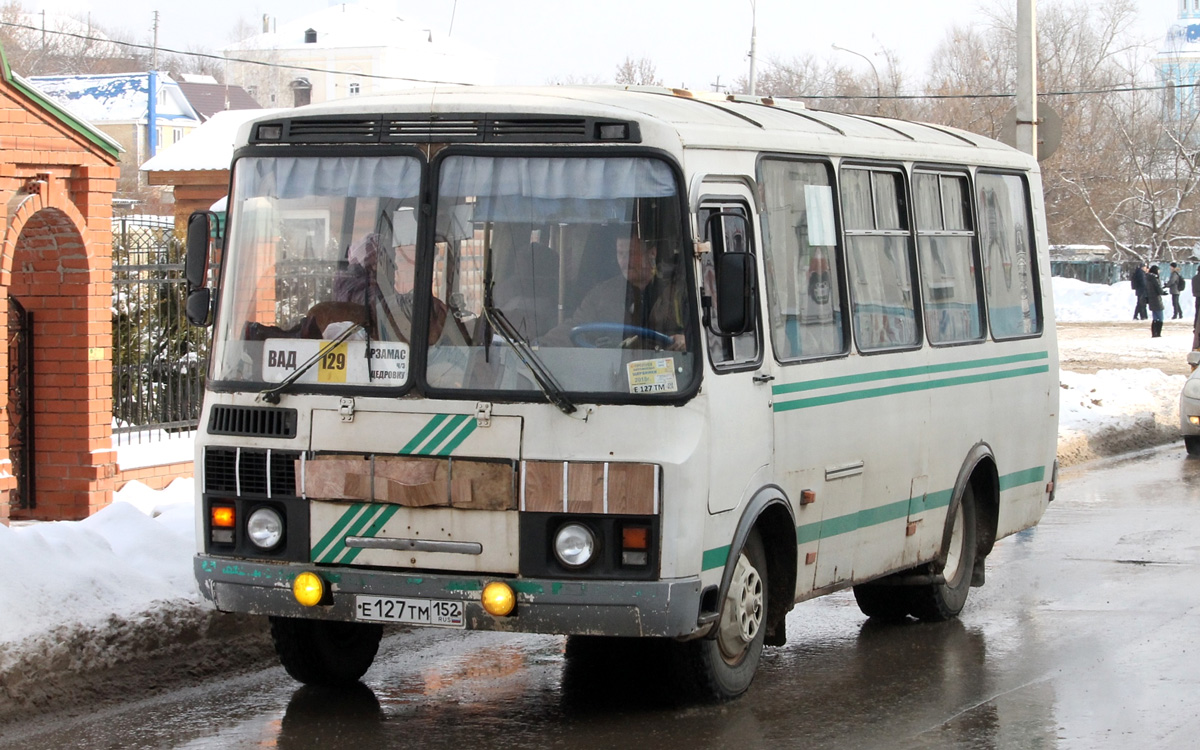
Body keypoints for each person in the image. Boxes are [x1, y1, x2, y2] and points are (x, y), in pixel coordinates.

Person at [549, 233, 687, 350]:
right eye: (620, 254)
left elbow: (700, 335)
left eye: (630, 254)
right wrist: (542, 345)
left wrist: (685, 340)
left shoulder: (677, 293)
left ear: (652, 254)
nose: (624, 262)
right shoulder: (602, 295)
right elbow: (575, 326)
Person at [1145, 264, 1166, 338]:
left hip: (1151, 299)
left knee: (1155, 317)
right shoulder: (1154, 278)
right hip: (1156, 299)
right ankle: (1158, 333)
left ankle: (1154, 333)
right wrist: (1163, 292)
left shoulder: (1148, 278)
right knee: (1160, 317)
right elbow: (1158, 288)